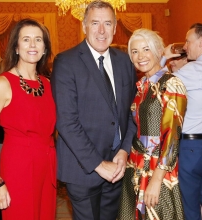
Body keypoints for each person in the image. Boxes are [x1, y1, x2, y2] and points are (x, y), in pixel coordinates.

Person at [51, 1, 137, 219]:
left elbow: (130, 112)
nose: (101, 30)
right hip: (83, 169)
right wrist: (99, 165)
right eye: (95, 23)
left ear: (115, 28)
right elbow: (66, 122)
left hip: (117, 167)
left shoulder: (125, 61)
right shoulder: (66, 62)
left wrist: (124, 151)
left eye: (107, 23)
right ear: (84, 26)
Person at [0, 18, 57, 220]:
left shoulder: (49, 84)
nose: (33, 45)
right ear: (16, 47)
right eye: (26, 39)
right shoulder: (3, 84)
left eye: (38, 40)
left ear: (45, 48)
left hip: (48, 166)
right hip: (19, 166)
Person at [117, 28, 187, 220]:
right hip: (135, 165)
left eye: (146, 49)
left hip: (159, 167)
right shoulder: (141, 87)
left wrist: (157, 179)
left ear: (158, 50)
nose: (140, 56)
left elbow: (173, 136)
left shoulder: (171, 84)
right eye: (135, 51)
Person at [163, 23, 202, 220]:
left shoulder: (194, 70)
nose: (184, 47)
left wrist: (164, 57)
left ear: (201, 42)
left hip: (191, 147)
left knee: (189, 206)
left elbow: (157, 87)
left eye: (188, 41)